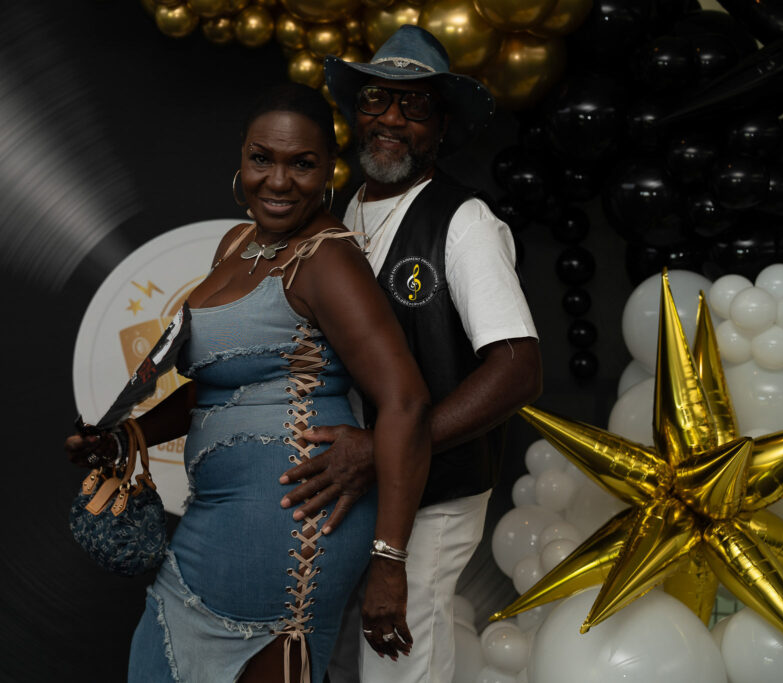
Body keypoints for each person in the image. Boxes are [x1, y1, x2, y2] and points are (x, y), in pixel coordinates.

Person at [64, 83, 432, 683]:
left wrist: (389, 563)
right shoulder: (236, 243)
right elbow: (215, 386)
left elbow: (407, 403)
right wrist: (126, 437)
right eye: (262, 159)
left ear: (329, 170)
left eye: (301, 164)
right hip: (212, 522)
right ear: (242, 157)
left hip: (291, 530)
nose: (278, 182)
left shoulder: (328, 260)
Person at [278, 26, 542, 683]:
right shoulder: (345, 211)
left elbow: (518, 370)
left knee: (396, 659)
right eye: (376, 99)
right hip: (358, 482)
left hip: (434, 493)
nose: (392, 119)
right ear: (355, 112)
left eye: (415, 104)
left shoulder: (464, 222)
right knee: (355, 655)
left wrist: (381, 448)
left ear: (442, 125)